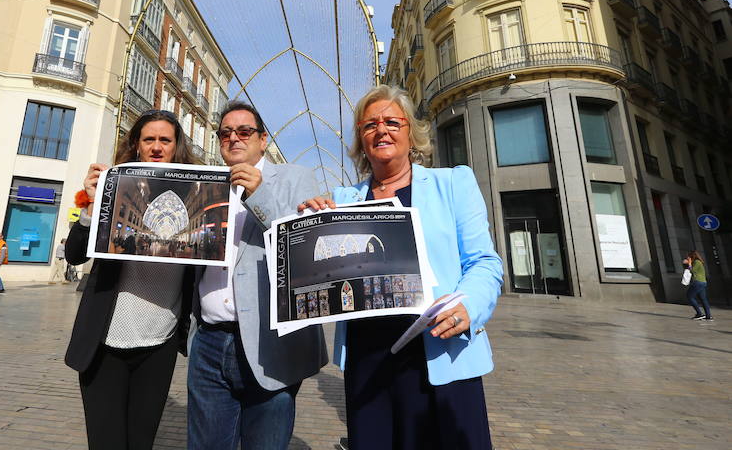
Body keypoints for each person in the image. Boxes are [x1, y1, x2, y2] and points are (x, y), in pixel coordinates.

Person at [300, 85, 503, 450]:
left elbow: (484, 262)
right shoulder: (344, 199)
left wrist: (468, 306)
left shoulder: (452, 183)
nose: (381, 130)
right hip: (369, 361)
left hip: (442, 353)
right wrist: (311, 223)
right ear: (361, 139)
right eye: (370, 125)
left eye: (392, 122)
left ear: (411, 132)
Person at [187, 101, 328, 450]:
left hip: (271, 345)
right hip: (209, 341)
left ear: (263, 140)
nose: (234, 138)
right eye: (225, 134)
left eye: (244, 131)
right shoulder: (207, 186)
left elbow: (306, 249)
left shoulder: (296, 178)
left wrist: (259, 194)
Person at [64, 109, 196, 450]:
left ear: (176, 146)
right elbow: (75, 255)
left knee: (141, 442)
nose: (156, 147)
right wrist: (90, 207)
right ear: (137, 144)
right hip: (104, 343)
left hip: (159, 342)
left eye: (165, 140)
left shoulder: (197, 193)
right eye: (149, 139)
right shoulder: (115, 186)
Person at [683, 251, 713, 321]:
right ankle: (708, 316)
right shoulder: (697, 262)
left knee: (689, 296)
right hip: (702, 283)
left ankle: (699, 314)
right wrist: (686, 263)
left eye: (688, 257)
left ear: (692, 256)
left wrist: (689, 263)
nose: (687, 258)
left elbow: (692, 271)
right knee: (703, 299)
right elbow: (688, 269)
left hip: (698, 282)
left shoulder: (697, 262)